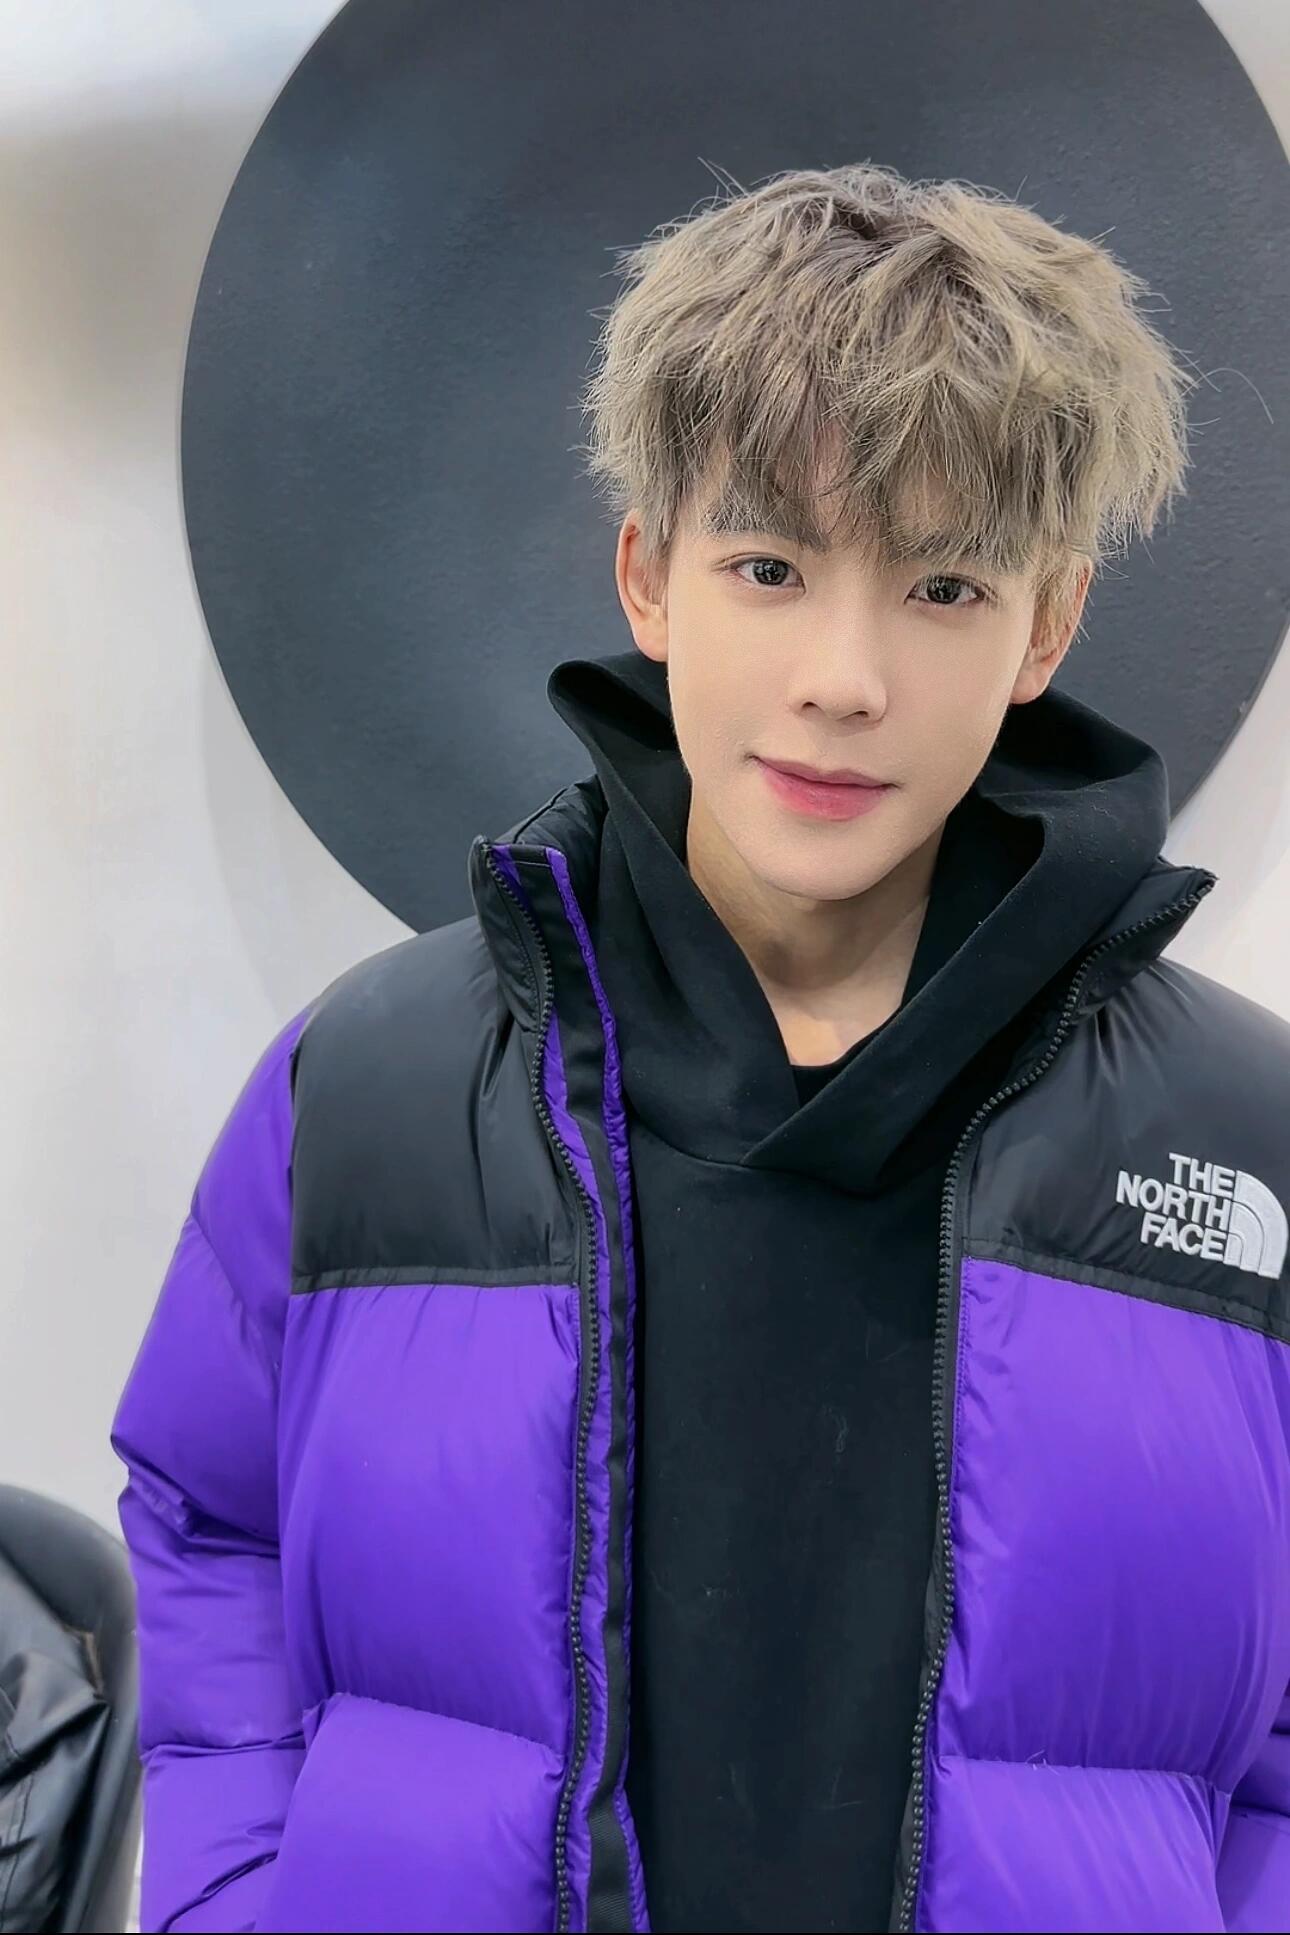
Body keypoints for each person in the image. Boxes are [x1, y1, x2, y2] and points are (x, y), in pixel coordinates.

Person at [111, 161, 1290, 1935]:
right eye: (768, 566)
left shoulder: (1244, 1137)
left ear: (1046, 625)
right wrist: (238, 1900)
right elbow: (215, 1523)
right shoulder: (360, 1086)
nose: (843, 677)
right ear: (650, 578)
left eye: (943, 587)